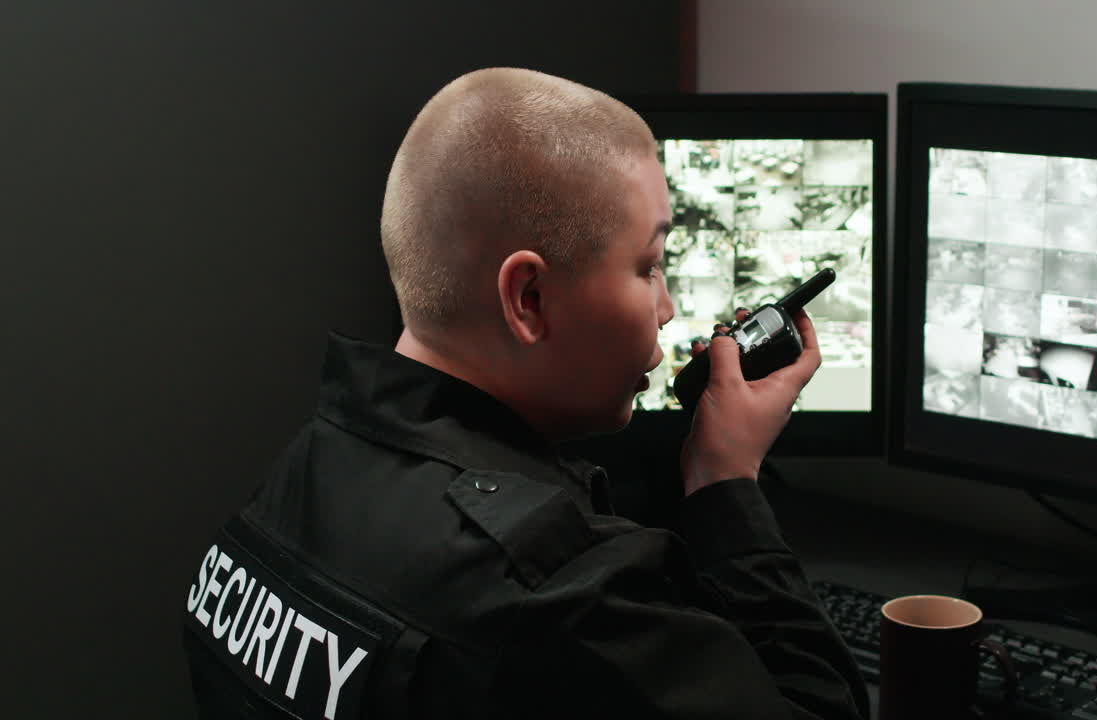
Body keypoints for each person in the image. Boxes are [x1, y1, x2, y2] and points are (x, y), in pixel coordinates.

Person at [181, 67, 869, 720]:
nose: (665, 308)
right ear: (529, 298)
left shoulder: (297, 478)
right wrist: (727, 485)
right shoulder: (565, 597)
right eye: (649, 265)